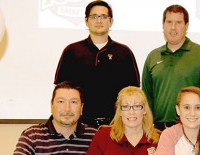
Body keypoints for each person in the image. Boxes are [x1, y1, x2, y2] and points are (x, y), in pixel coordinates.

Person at [54, 0, 140, 129]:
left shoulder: (124, 52)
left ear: (111, 21)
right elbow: (61, 90)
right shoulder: (72, 51)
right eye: (94, 17)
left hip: (116, 125)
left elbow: (133, 92)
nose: (99, 21)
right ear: (86, 21)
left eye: (103, 17)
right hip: (80, 126)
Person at [142, 4, 200, 131]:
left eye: (178, 22)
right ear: (163, 25)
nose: (173, 27)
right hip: (158, 131)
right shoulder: (153, 56)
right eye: (169, 22)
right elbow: (146, 96)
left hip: (191, 129)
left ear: (186, 26)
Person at [13, 81, 97, 155]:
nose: (67, 108)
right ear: (51, 105)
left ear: (81, 107)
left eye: (73, 102)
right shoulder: (32, 135)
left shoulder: (95, 136)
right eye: (61, 101)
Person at [86, 86, 160, 155]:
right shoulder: (103, 136)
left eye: (137, 106)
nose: (131, 112)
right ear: (120, 111)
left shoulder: (160, 138)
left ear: (144, 110)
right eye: (125, 106)